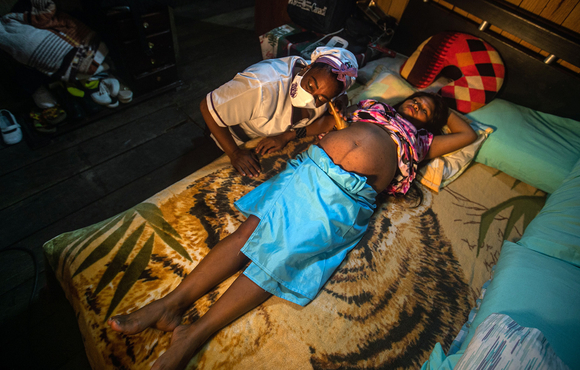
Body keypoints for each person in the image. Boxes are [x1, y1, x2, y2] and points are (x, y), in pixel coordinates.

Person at [108, 91, 477, 370]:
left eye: (425, 110)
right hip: (307, 170)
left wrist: (443, 95)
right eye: (415, 99)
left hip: (345, 198)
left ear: (430, 124)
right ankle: (169, 305)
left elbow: (466, 134)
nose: (417, 105)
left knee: (276, 261)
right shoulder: (375, 107)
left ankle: (193, 336)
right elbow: (331, 121)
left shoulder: (422, 141)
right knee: (245, 237)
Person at [200, 47, 358, 178]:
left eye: (321, 98)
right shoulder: (262, 85)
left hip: (258, 139)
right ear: (308, 67)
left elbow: (329, 119)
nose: (311, 99)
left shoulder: (329, 95)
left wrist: (287, 136)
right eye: (310, 85)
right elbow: (207, 107)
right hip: (227, 136)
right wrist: (234, 153)